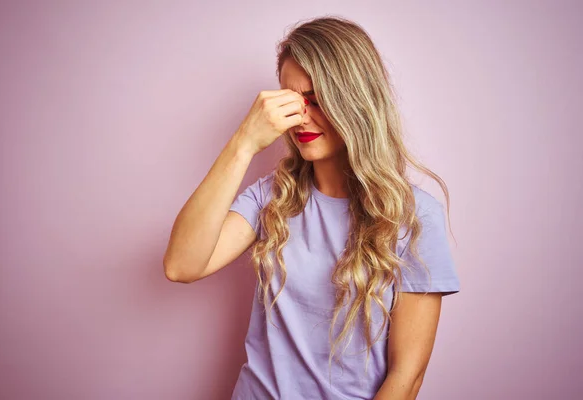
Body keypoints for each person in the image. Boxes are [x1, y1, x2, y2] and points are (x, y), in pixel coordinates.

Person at [163, 15, 460, 400]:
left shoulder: (415, 216)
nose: (301, 117)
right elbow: (181, 265)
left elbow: (407, 376)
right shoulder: (272, 196)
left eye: (317, 100)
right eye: (291, 101)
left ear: (354, 102)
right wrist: (243, 143)